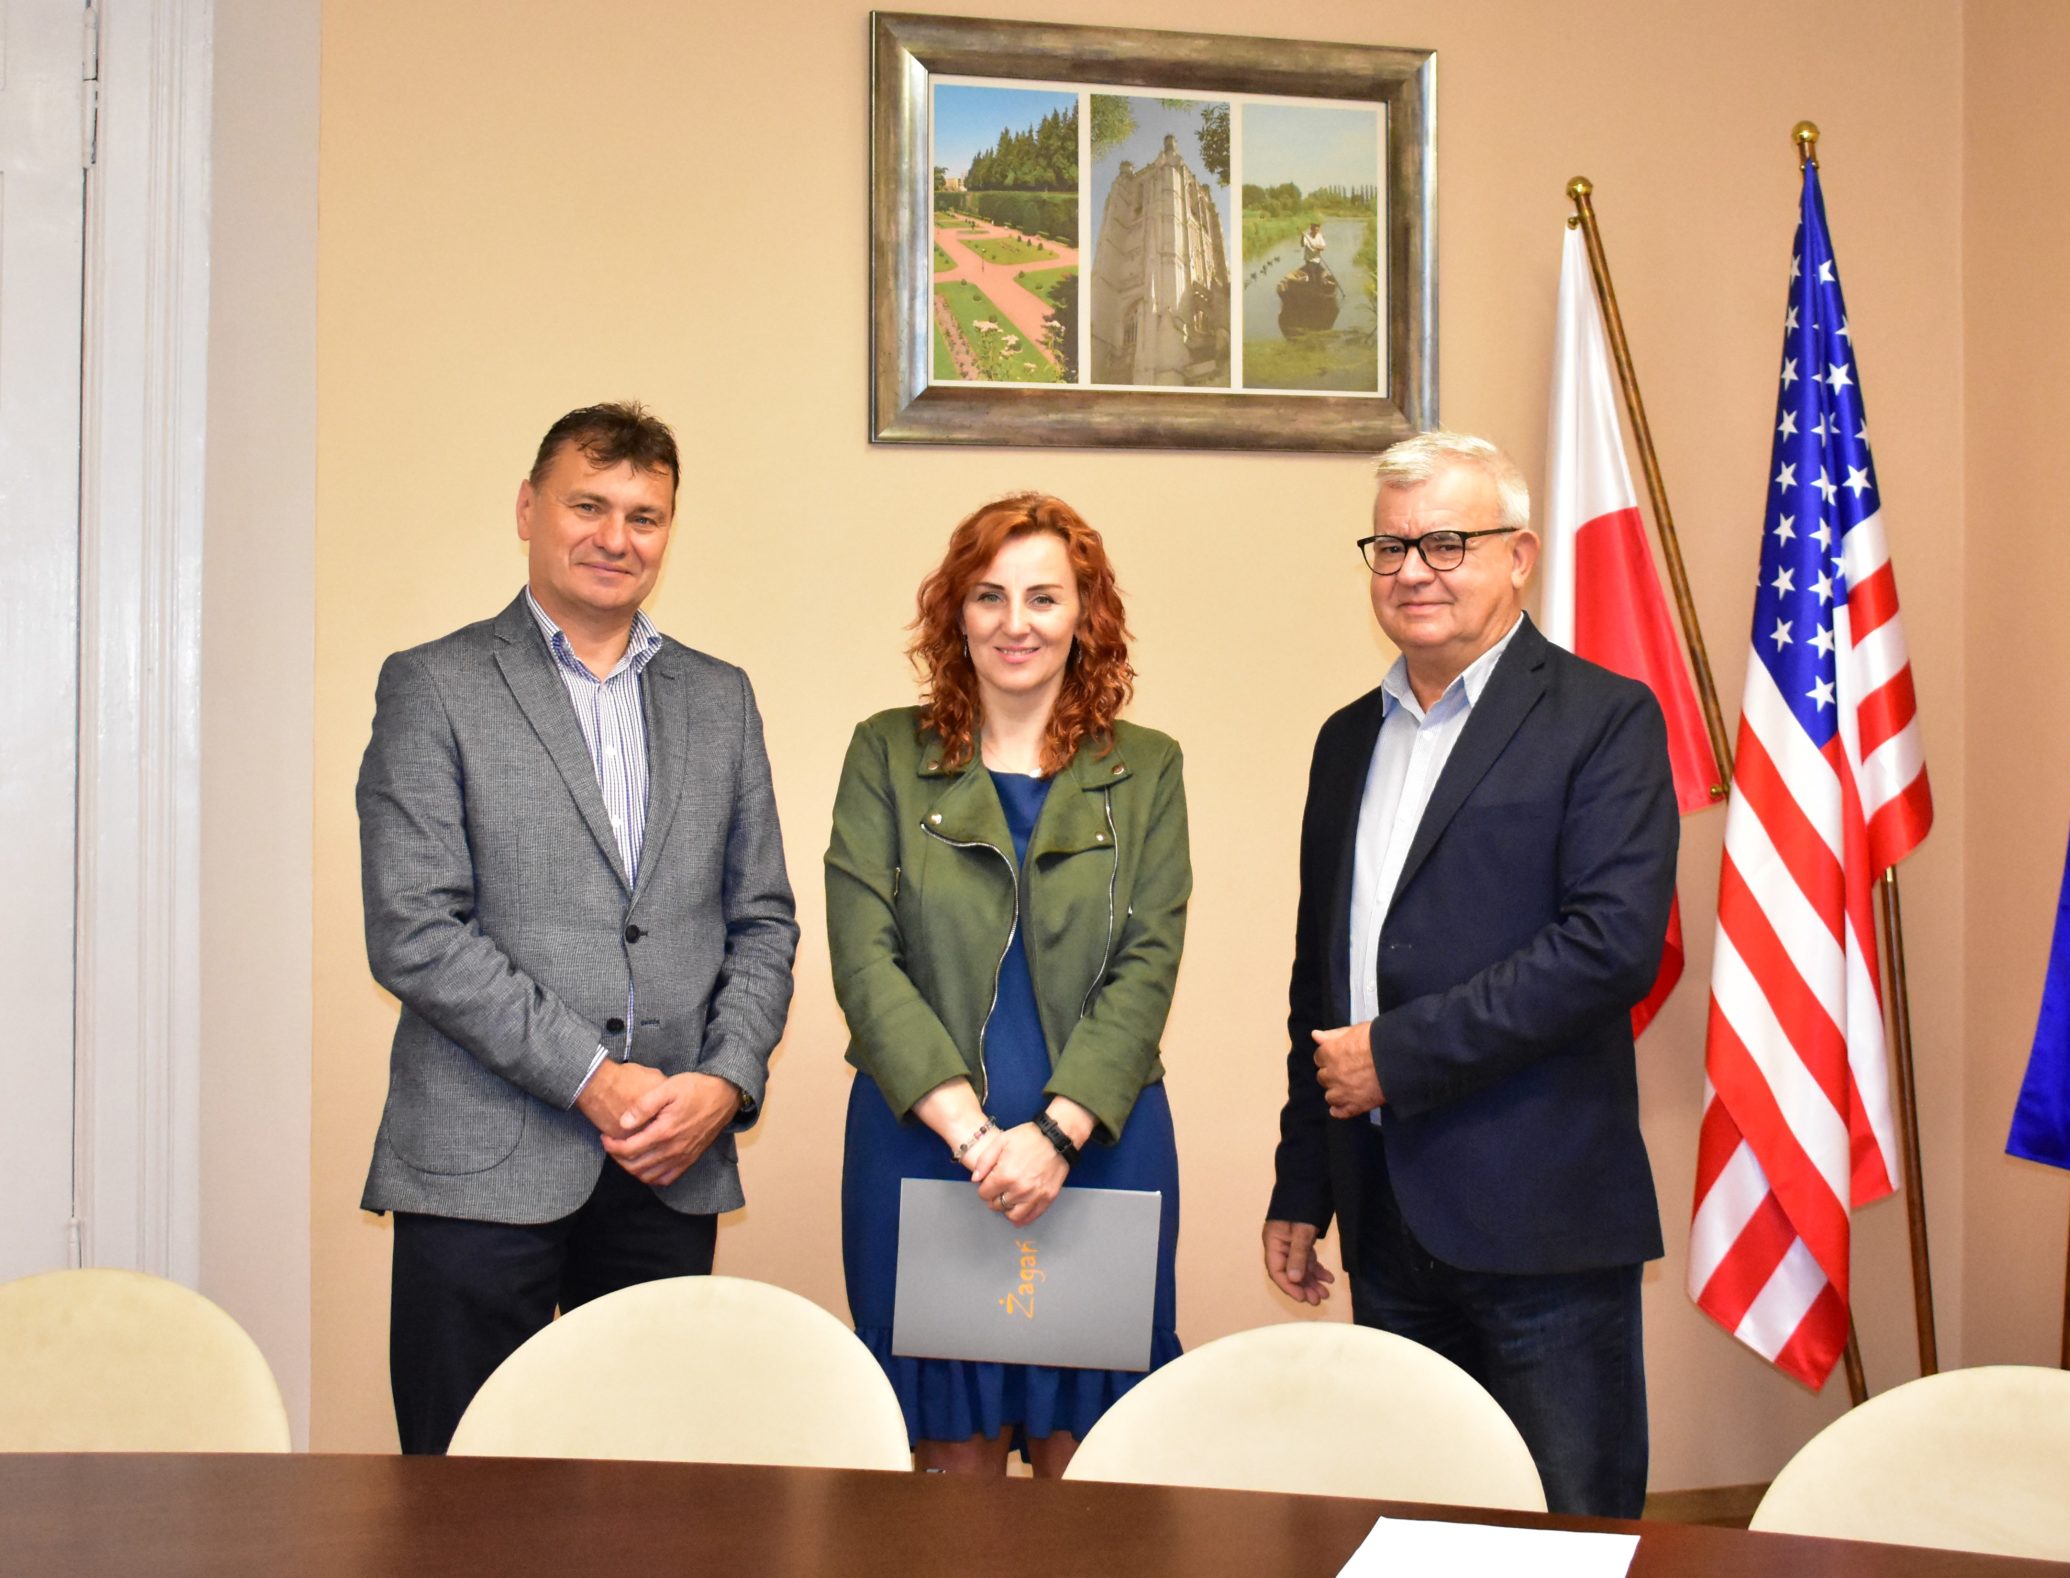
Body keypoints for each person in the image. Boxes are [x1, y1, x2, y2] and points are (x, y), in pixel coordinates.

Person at [356, 402, 798, 1455]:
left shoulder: (720, 698)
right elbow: (416, 929)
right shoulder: (434, 684)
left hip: (668, 1168)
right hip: (478, 1172)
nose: (615, 537)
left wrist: (725, 1081)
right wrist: (592, 1078)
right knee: (465, 1500)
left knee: (651, 1495)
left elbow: (763, 920)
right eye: (587, 506)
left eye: (644, 516)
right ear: (528, 509)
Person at [1261, 431, 1679, 1517]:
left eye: (1447, 543)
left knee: (1568, 1530)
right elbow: (1322, 979)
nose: (1414, 571)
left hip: (1541, 1220)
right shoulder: (1344, 741)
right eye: (1391, 546)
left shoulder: (1605, 719)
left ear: (1520, 556)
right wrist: (1303, 1183)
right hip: (1384, 1216)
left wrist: (1395, 1058)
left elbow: (1609, 946)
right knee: (1415, 1520)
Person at [827, 493, 1190, 1477]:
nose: (1014, 623)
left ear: (1085, 614)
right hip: (926, 1141)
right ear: (956, 612)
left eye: (1043, 597)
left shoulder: (1147, 769)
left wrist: (1056, 1136)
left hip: (1099, 1142)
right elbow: (863, 959)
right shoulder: (885, 753)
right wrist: (978, 1140)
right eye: (988, 595)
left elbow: (1149, 962)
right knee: (952, 1501)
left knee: (1094, 1486)